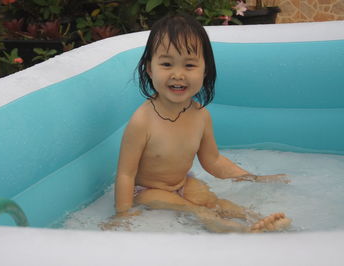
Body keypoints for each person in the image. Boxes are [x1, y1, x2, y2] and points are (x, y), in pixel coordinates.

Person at [108, 14, 291, 233]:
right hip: (146, 190)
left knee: (214, 202)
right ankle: (228, 228)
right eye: (166, 64)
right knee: (195, 209)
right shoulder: (142, 121)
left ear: (204, 71)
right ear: (149, 69)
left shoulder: (200, 115)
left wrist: (252, 178)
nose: (178, 74)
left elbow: (213, 160)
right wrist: (122, 213)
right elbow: (125, 174)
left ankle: (256, 220)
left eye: (189, 65)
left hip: (183, 182)